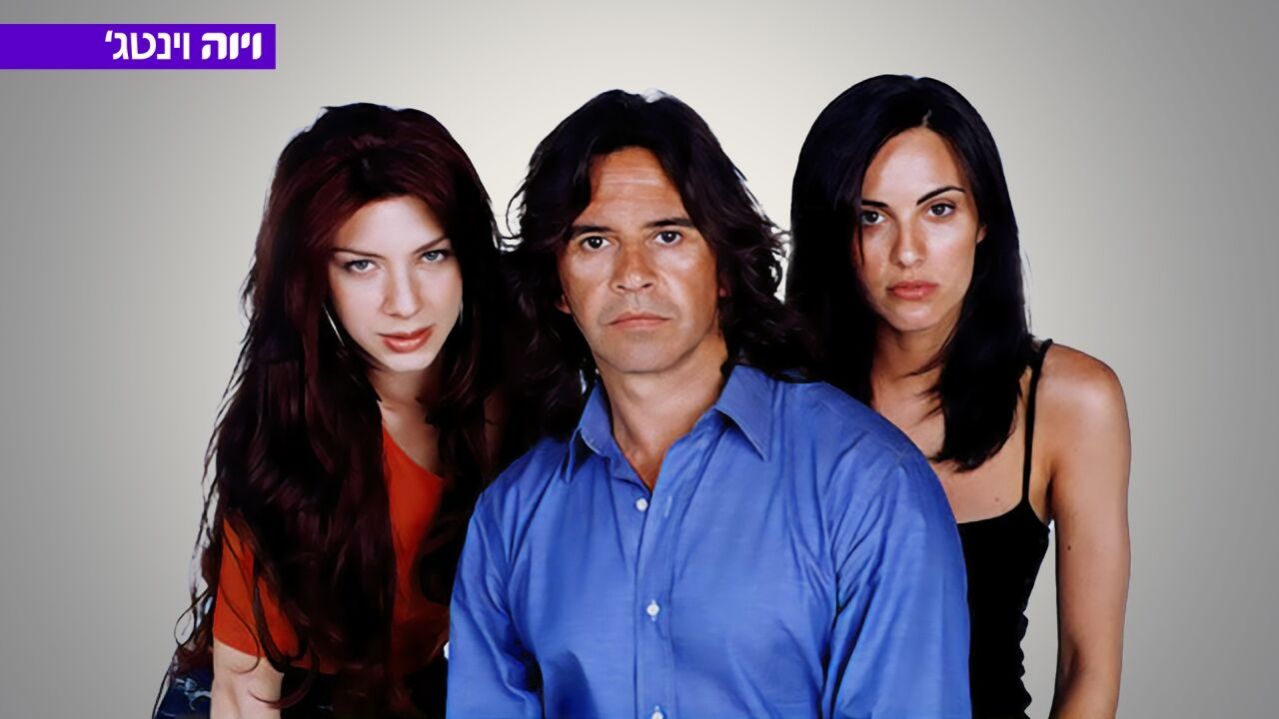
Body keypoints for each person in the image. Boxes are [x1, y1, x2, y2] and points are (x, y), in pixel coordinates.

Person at [447, 89, 972, 719]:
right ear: (557, 284)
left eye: (668, 235)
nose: (632, 274)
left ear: (724, 267)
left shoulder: (868, 483)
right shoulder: (510, 518)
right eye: (595, 242)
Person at [788, 75, 1131, 718]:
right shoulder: (771, 400)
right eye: (871, 217)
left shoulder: (1072, 402)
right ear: (832, 231)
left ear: (983, 221)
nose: (908, 251)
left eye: (939, 210)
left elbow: (1088, 668)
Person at [154, 102, 511, 718]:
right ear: (316, 278)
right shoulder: (288, 431)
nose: (405, 303)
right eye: (362, 265)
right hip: (277, 694)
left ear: (469, 259)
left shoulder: (520, 387)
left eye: (432, 256)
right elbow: (243, 693)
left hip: (408, 688)